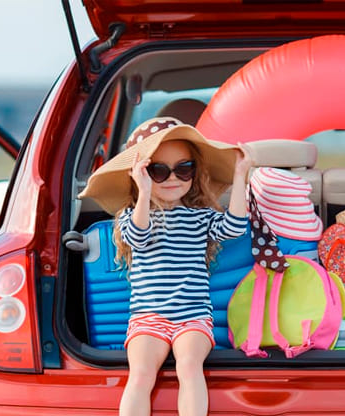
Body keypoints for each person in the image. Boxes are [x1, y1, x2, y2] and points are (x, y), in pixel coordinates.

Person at [79, 117, 252, 415]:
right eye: (158, 171)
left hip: (193, 317)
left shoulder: (200, 217)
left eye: (184, 169)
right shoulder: (132, 216)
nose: (173, 178)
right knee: (141, 374)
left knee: (189, 366)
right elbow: (139, 236)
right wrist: (144, 192)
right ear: (141, 174)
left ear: (195, 173)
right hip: (148, 317)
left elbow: (234, 227)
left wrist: (240, 175)